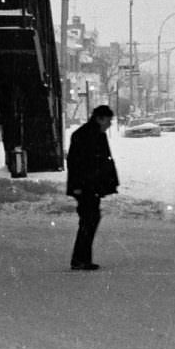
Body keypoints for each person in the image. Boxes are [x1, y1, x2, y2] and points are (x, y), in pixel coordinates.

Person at [65, 104, 119, 270]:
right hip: (87, 186)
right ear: (99, 118)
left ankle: (81, 258)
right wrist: (80, 186)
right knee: (89, 220)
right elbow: (78, 163)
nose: (110, 124)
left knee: (89, 220)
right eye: (108, 120)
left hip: (90, 186)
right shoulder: (88, 135)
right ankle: (80, 259)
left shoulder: (91, 134)